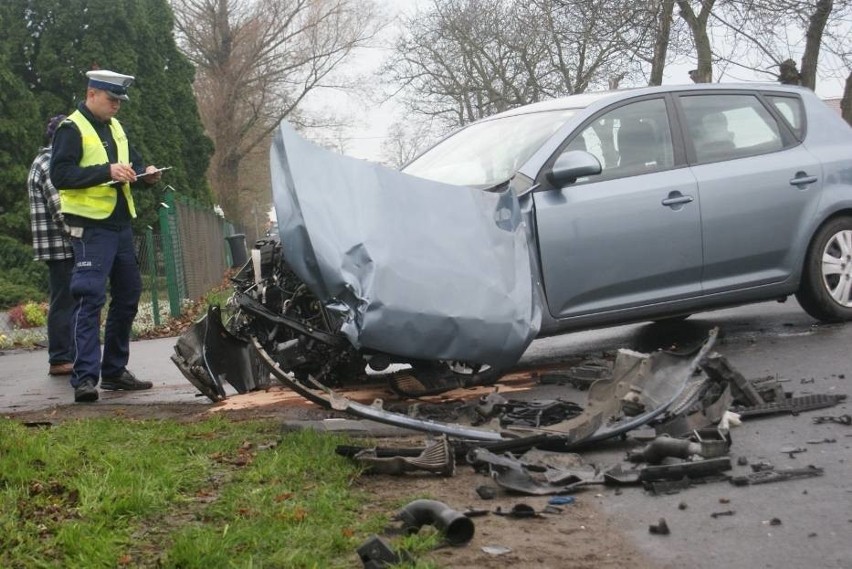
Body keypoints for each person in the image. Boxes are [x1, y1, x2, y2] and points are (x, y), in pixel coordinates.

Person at [50, 69, 162, 403]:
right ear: (92, 94)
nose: (117, 106)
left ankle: (114, 371)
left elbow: (133, 167)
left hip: (120, 226)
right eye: (112, 99)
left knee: (129, 295)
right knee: (89, 297)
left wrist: (147, 175)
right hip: (91, 228)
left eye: (120, 101)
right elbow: (60, 174)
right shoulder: (71, 128)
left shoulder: (116, 127)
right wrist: (106, 171)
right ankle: (85, 379)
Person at [27, 114, 75, 376]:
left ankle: (66, 355)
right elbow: (61, 210)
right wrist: (82, 237)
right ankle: (60, 358)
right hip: (62, 246)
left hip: (59, 245)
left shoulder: (45, 160)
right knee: (65, 301)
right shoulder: (49, 163)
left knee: (66, 299)